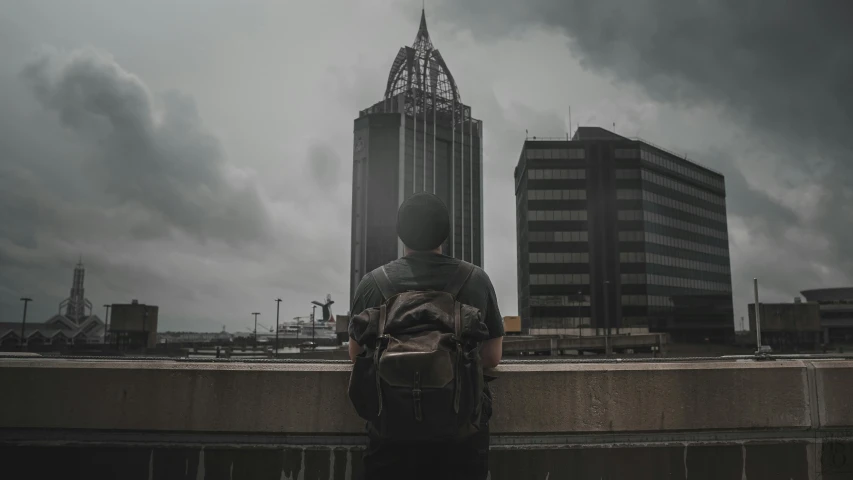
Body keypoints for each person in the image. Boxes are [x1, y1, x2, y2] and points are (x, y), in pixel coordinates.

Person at [348, 192, 504, 480]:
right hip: (460, 439)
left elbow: (357, 354)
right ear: (445, 232)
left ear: (401, 232)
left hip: (390, 437)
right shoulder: (475, 279)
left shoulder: (372, 284)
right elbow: (492, 357)